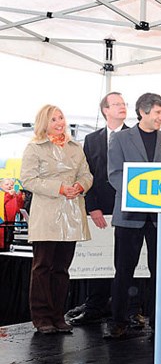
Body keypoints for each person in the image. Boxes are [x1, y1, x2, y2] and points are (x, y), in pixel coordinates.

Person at [64, 92, 146, 327]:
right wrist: (93, 207)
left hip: (129, 208)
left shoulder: (136, 135)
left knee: (129, 262)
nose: (122, 107)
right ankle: (94, 307)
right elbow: (87, 174)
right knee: (97, 260)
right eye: (117, 104)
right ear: (105, 110)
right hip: (100, 209)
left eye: (124, 104)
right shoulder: (91, 139)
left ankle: (130, 311)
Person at [106, 92, 161, 338]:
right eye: (157, 112)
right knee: (124, 270)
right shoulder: (120, 139)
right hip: (129, 216)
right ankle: (117, 321)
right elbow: (115, 174)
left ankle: (160, 321)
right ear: (142, 112)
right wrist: (140, 195)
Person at [20, 105, 93, 334]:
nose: (60, 122)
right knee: (42, 268)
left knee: (62, 269)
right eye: (54, 119)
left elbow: (87, 174)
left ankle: (57, 315)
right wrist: (59, 188)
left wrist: (81, 186)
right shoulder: (34, 148)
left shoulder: (75, 147)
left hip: (71, 215)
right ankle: (41, 317)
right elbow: (28, 180)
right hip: (46, 214)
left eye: (61, 117)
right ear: (44, 122)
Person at [0, 178, 25, 250]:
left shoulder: (14, 195)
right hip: (2, 223)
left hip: (10, 224)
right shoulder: (4, 195)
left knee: (8, 242)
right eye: (6, 184)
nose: (9, 186)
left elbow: (19, 208)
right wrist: (9, 195)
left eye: (12, 185)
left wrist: (19, 196)